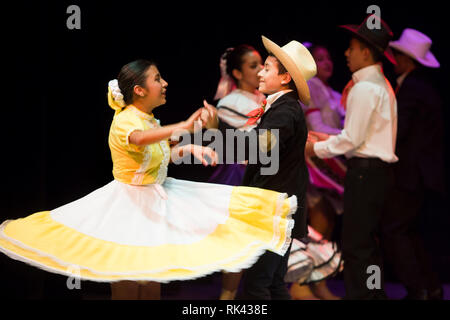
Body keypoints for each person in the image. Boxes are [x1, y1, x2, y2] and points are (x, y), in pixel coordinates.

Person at [0, 59, 298, 300]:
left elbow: (159, 155)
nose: (165, 83)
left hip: (153, 204)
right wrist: (181, 126)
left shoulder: (150, 120)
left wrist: (189, 147)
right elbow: (140, 140)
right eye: (157, 79)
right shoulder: (127, 120)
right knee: (129, 283)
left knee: (151, 280)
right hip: (128, 206)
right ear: (139, 90)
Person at [202, 35, 317, 300]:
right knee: (273, 283)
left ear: (285, 78)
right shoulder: (281, 107)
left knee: (259, 285)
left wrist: (215, 130)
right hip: (279, 205)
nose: (261, 74)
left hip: (274, 208)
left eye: (267, 68)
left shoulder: (285, 111)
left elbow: (258, 147)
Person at [305, 15, 398, 299]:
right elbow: (355, 137)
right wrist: (324, 140)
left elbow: (352, 140)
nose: (346, 53)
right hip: (374, 172)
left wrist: (314, 148)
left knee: (357, 246)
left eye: (352, 48)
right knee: (366, 244)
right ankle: (373, 295)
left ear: (366, 52)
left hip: (365, 171)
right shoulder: (378, 85)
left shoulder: (365, 88)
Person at [381, 28, 445, 300]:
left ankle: (418, 289)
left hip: (410, 176)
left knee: (394, 230)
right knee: (408, 231)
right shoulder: (419, 86)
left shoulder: (413, 88)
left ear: (406, 59)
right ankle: (429, 287)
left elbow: (400, 130)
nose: (393, 59)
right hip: (420, 176)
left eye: (396, 55)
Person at [209, 44, 266, 300]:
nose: (260, 70)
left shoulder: (263, 98)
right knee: (238, 239)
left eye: (262, 65)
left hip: (262, 174)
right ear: (237, 73)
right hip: (240, 176)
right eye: (253, 66)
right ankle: (227, 296)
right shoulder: (230, 103)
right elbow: (240, 144)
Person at [290, 43, 345, 300]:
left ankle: (318, 280)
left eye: (327, 58)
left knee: (327, 221)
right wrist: (349, 136)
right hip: (314, 161)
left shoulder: (331, 92)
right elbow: (316, 125)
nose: (325, 62)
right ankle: (301, 283)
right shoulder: (311, 87)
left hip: (330, 157)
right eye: (318, 59)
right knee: (318, 219)